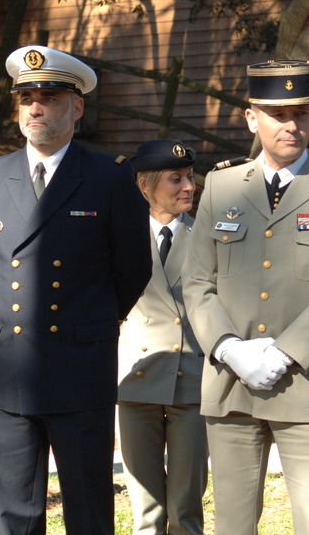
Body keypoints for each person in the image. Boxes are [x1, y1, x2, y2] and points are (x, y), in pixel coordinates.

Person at [182, 59, 309, 534]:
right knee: (232, 522)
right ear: (252, 118)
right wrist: (229, 349)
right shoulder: (222, 185)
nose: (291, 125)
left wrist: (285, 353)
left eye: (302, 114)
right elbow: (197, 282)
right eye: (276, 114)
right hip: (232, 383)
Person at [0, 45, 152, 534]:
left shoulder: (110, 177)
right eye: (26, 97)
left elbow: (132, 269)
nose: (35, 107)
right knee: (15, 515)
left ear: (77, 106)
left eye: (48, 96)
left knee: (88, 511)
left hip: (80, 367)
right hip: (9, 372)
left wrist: (87, 320)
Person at [117, 139, 208, 535]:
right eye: (176, 179)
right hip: (136, 381)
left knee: (186, 510)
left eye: (189, 177)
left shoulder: (212, 236)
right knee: (146, 512)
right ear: (144, 186)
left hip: (193, 381)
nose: (189, 186)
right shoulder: (118, 237)